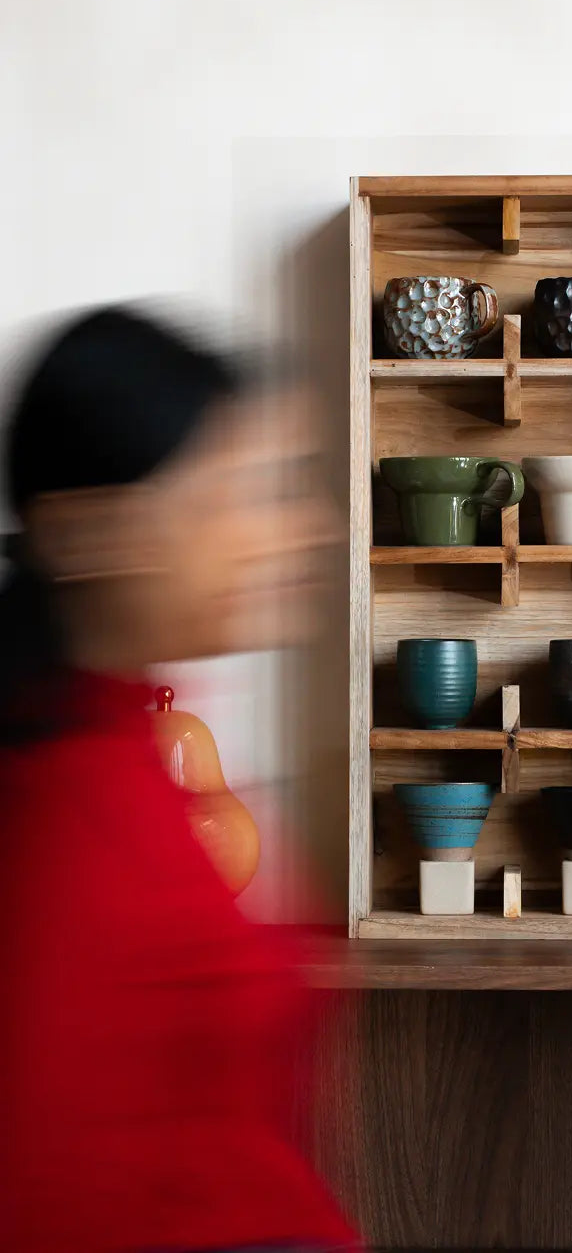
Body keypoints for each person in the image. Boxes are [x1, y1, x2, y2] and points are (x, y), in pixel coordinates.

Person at [0, 306, 358, 1252]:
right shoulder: (56, 826)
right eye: (244, 492)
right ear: (87, 533)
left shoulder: (130, 754)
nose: (305, 528)